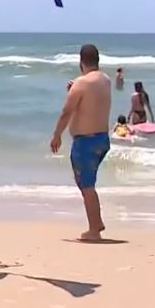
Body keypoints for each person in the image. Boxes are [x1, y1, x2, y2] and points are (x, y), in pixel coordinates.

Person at [50, 44, 112, 241]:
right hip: (102, 139)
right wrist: (74, 87)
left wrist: (56, 135)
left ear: (80, 62)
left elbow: (66, 112)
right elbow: (89, 103)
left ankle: (95, 228)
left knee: (86, 185)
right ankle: (96, 222)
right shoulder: (105, 80)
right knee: (85, 182)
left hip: (86, 141)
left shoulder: (81, 83)